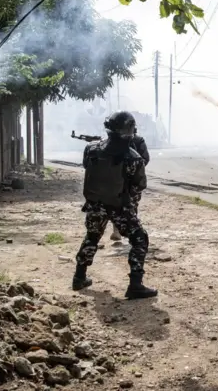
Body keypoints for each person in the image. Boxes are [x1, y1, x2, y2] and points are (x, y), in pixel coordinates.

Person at [72, 111, 158, 299]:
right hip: (120, 207)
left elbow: (88, 168)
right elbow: (138, 186)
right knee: (139, 239)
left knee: (92, 237)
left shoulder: (91, 149)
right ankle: (135, 284)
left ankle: (79, 277)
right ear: (129, 131)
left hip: (95, 204)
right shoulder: (133, 158)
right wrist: (129, 210)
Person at [110, 129, 150, 241]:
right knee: (130, 206)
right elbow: (145, 158)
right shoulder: (138, 140)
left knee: (119, 205)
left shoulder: (113, 141)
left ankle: (121, 231)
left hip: (121, 179)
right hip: (132, 180)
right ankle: (126, 232)